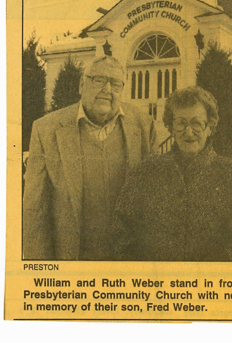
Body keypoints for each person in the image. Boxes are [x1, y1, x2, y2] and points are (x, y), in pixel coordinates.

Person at [112, 86, 232, 261]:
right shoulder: (144, 174)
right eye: (181, 123)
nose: (188, 132)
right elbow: (120, 236)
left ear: (210, 127)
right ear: (171, 127)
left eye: (196, 123)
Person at [23, 55, 156, 260]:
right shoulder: (46, 129)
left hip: (128, 263)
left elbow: (154, 202)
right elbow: (35, 212)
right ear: (82, 85)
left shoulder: (143, 125)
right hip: (73, 262)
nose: (107, 90)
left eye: (115, 84)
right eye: (99, 80)